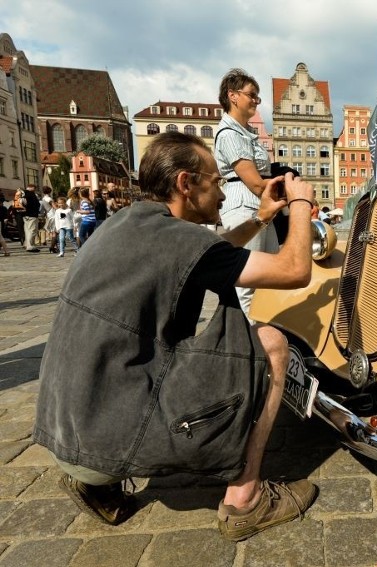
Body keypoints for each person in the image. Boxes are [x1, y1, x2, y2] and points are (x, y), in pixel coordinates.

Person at [34, 131, 318, 541]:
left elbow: (207, 253)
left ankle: (97, 484)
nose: (221, 194)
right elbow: (295, 270)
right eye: (216, 182)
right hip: (105, 442)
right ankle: (246, 501)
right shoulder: (178, 239)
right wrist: (302, 203)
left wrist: (262, 217)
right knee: (271, 343)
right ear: (186, 184)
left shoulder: (124, 224)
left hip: (68, 432)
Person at [214, 68, 278, 317]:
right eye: (252, 94)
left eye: (257, 96)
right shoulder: (229, 134)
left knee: (271, 275)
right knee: (249, 283)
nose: (255, 100)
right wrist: (291, 193)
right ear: (233, 95)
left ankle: (269, 332)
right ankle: (253, 341)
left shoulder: (247, 133)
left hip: (261, 207)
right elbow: (255, 183)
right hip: (244, 206)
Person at [22, 184, 41, 252]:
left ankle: (27, 244)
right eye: (34, 188)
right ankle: (30, 246)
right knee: (32, 230)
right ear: (32, 188)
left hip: (24, 215)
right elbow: (36, 205)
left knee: (27, 230)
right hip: (32, 215)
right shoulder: (31, 194)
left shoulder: (23, 194)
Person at [41, 187, 57, 253]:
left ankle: (54, 246)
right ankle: (52, 247)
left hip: (49, 215)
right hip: (53, 215)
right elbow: (55, 207)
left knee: (52, 232)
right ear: (50, 191)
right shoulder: (49, 199)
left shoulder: (43, 198)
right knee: (55, 232)